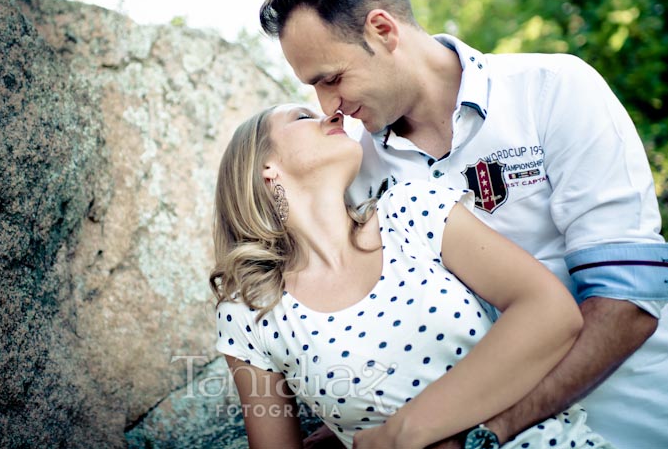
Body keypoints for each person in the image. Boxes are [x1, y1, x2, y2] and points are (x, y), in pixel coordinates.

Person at [258, 0, 668, 449]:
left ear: (382, 29)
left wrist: (487, 433)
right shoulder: (360, 175)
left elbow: (629, 300)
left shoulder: (553, 89)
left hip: (659, 423)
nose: (328, 105)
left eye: (332, 78)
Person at [211, 104, 613, 448]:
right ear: (267, 168)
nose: (331, 114)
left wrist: (404, 432)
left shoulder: (412, 210)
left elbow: (552, 313)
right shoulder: (251, 314)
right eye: (302, 116)